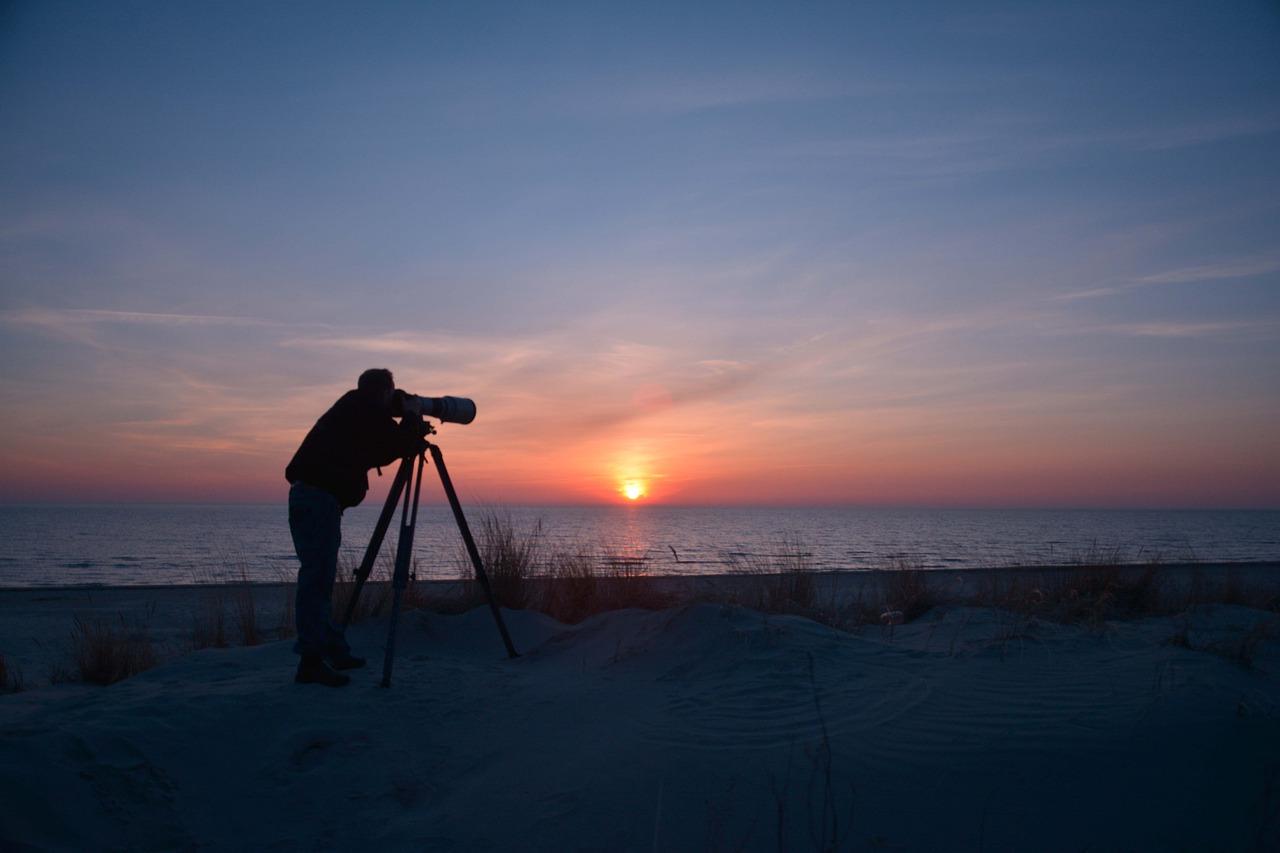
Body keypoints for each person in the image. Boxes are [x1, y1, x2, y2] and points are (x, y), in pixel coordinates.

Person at [284, 368, 426, 687]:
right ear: (381, 394)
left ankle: (332, 649)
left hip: (316, 500)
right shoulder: (363, 413)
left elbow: (385, 443)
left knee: (319, 578)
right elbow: (398, 444)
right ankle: (310, 662)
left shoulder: (355, 407)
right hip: (317, 501)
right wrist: (413, 418)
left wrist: (403, 405)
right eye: (390, 395)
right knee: (317, 579)